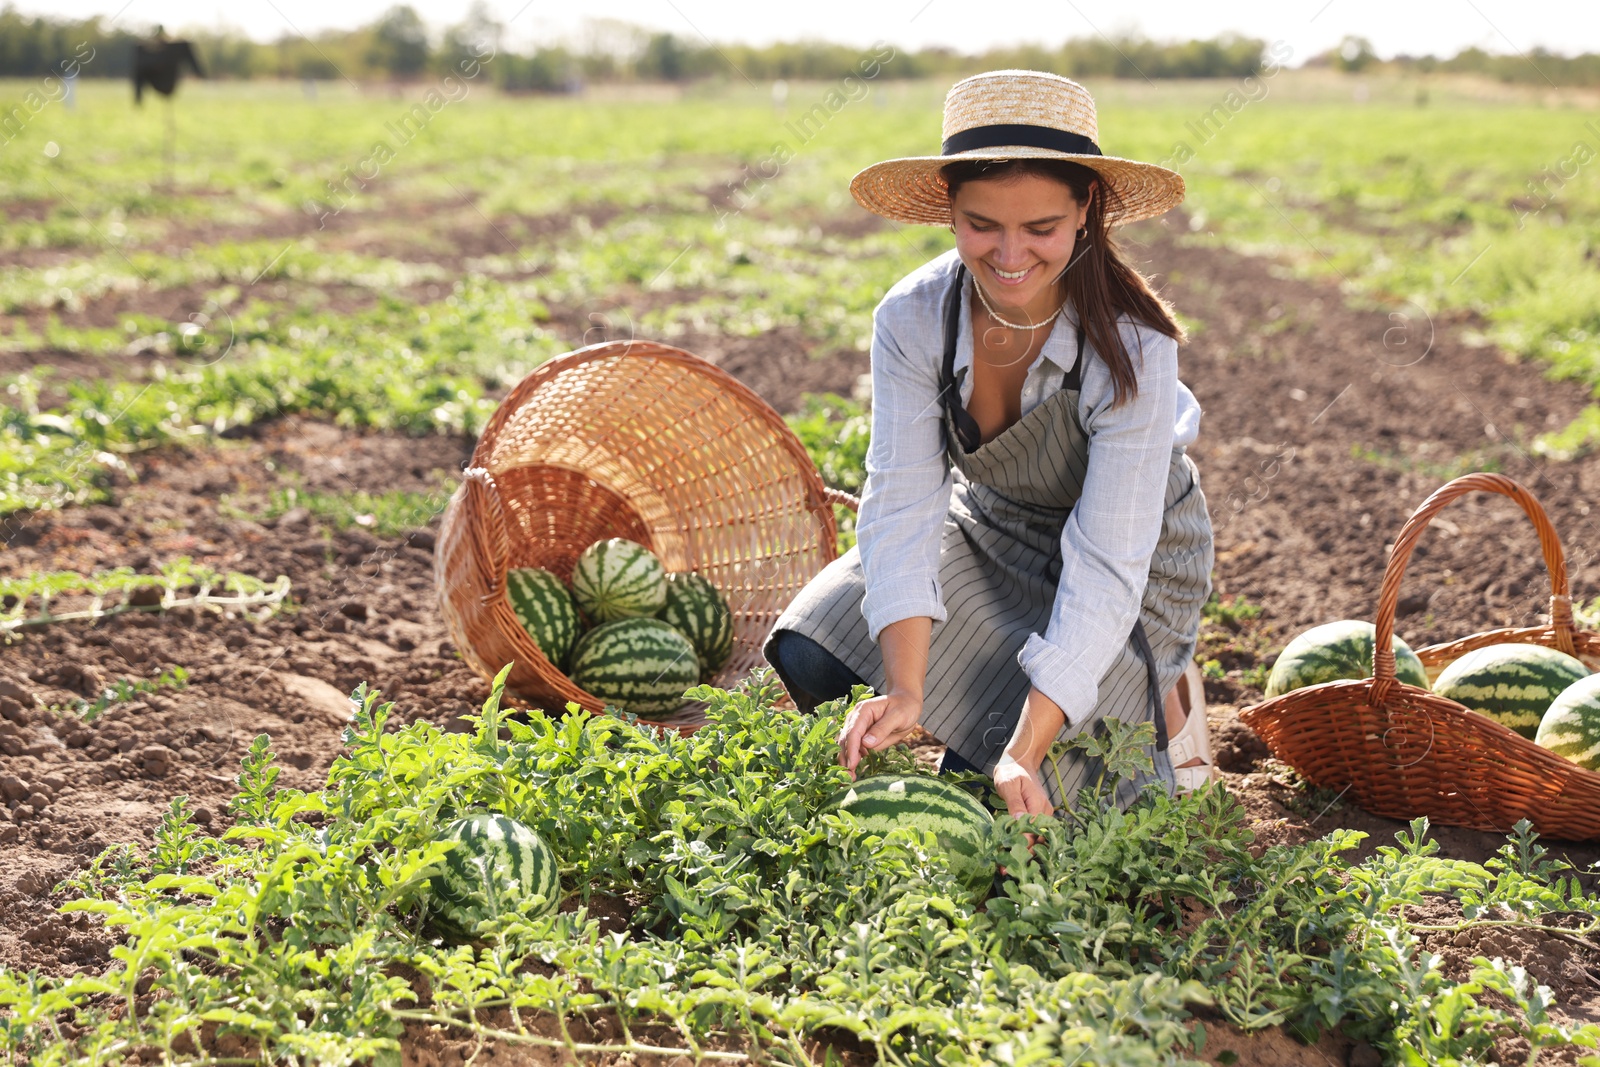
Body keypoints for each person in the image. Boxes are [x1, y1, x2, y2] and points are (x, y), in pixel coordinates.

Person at [762, 70, 1216, 819]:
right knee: (816, 653)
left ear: (1085, 211)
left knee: (1057, 794)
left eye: (1040, 228)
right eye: (983, 224)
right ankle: (984, 708)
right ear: (949, 211)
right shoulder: (913, 317)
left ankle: (1163, 690)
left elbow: (1106, 564)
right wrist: (905, 688)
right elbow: (903, 500)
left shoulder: (1134, 346)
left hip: (1132, 567)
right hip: (990, 529)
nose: (1010, 255)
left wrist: (1025, 748)